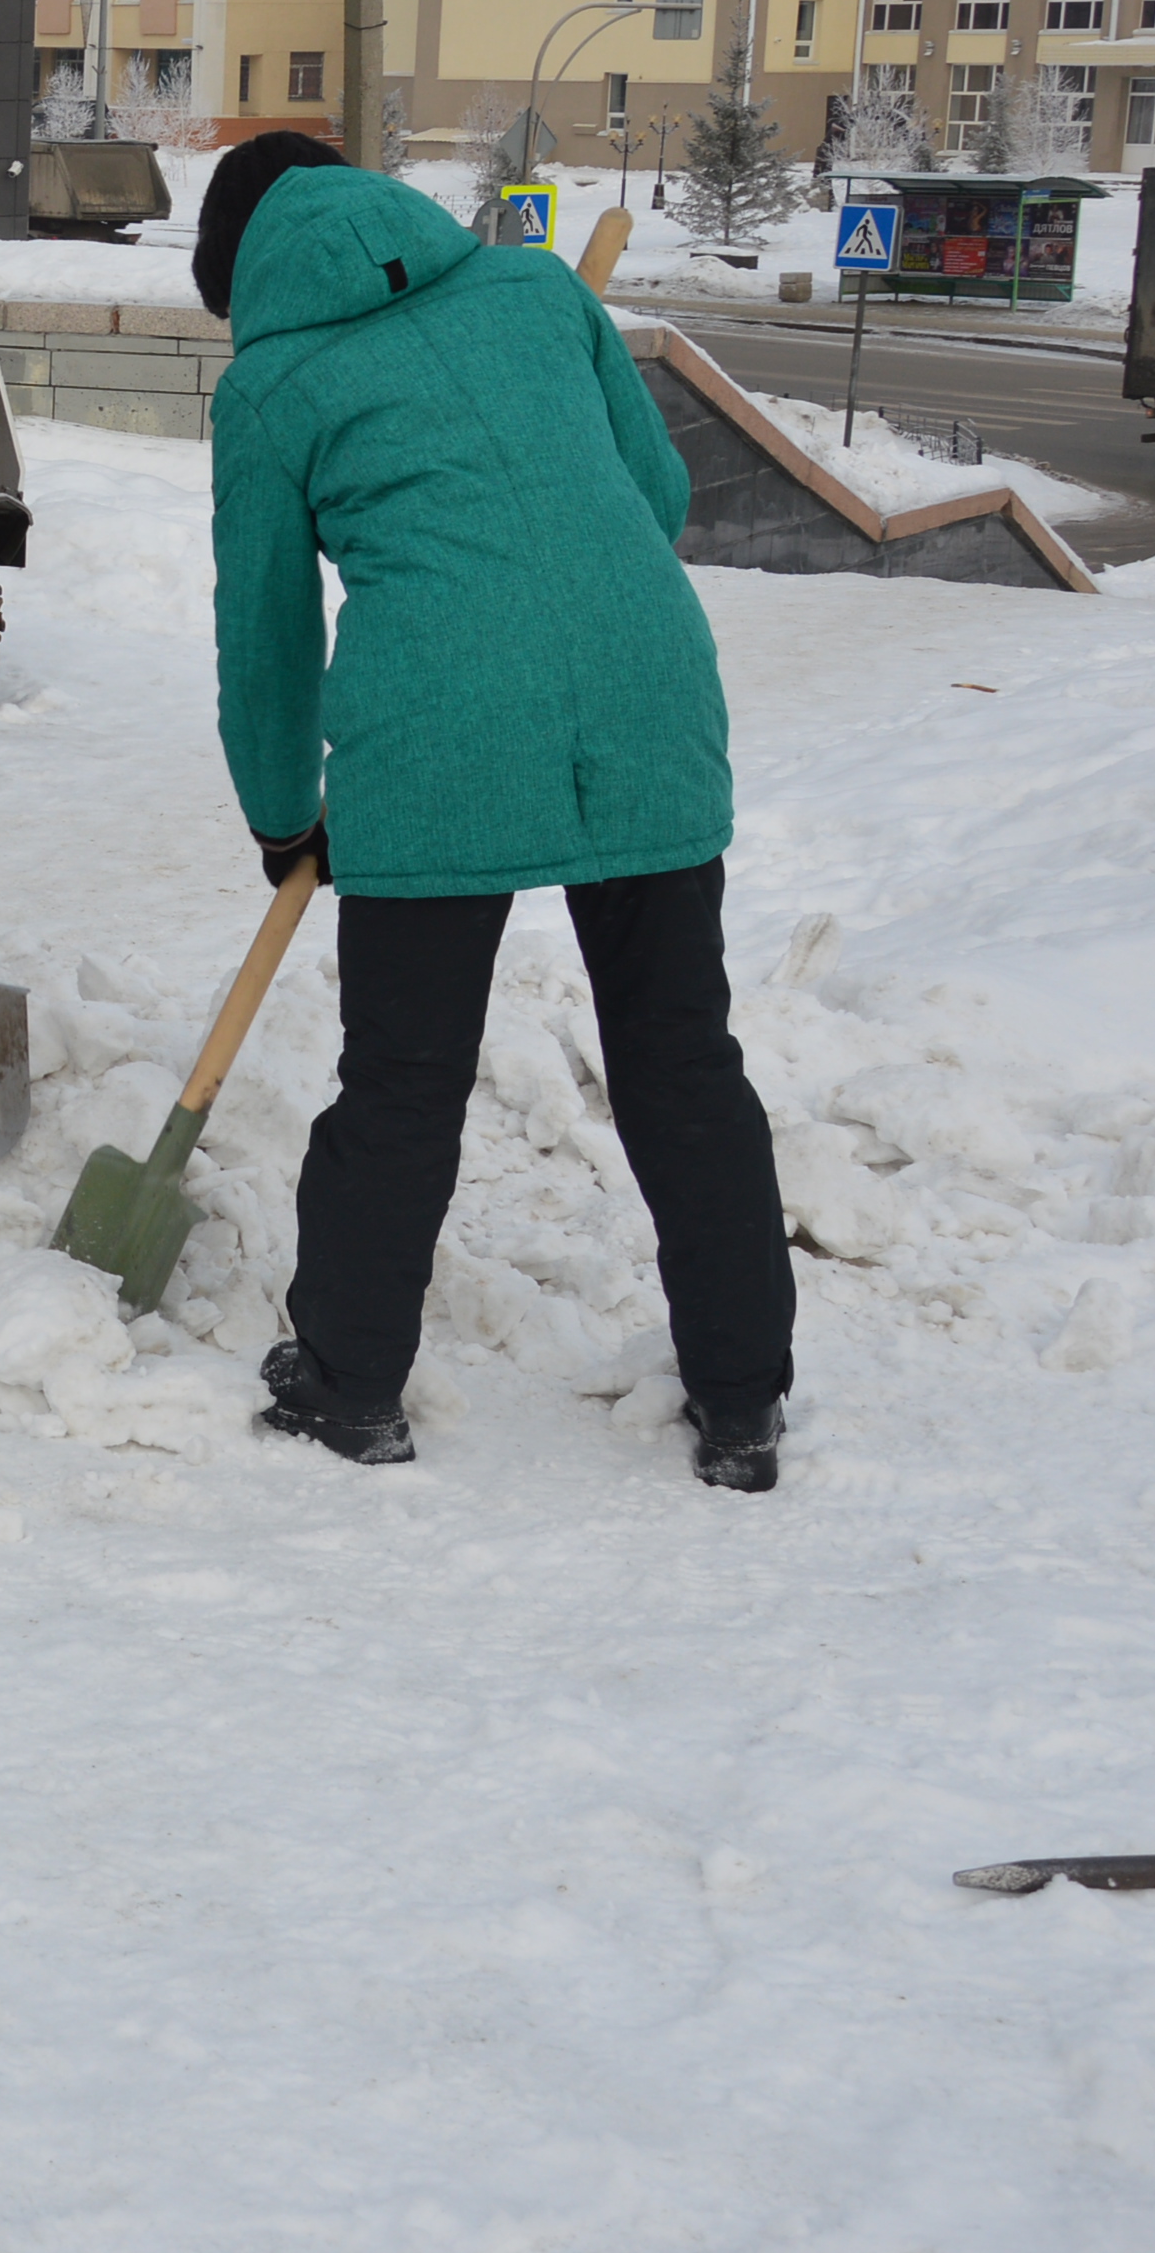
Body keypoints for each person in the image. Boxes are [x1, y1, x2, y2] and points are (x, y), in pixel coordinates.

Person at [197, 130, 797, 1490]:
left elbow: (268, 630)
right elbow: (659, 496)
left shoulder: (272, 385)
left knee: (403, 1078)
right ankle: (745, 1397)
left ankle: (348, 1384)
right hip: (645, 692)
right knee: (682, 1055)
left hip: (437, 727)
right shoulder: (537, 290)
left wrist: (283, 812)